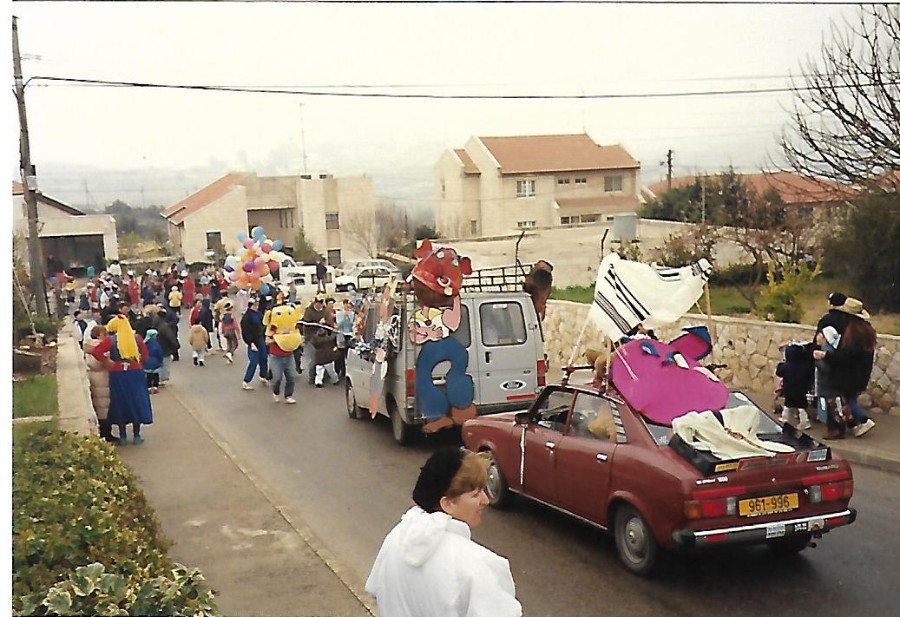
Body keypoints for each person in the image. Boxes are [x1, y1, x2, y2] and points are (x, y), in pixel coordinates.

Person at [366, 447, 522, 617]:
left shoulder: (397, 537)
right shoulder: (479, 565)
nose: (485, 500)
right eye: (476, 494)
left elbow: (376, 590)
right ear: (447, 504)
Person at [814, 297, 877, 438]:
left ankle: (853, 423)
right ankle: (855, 425)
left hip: (850, 374)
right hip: (859, 373)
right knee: (847, 399)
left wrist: (826, 355)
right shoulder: (865, 331)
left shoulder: (855, 334)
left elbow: (847, 355)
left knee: (837, 397)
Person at [88, 315, 153, 445]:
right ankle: (136, 435)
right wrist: (139, 364)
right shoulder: (137, 339)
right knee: (137, 401)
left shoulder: (111, 340)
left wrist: (108, 361)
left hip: (118, 373)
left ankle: (122, 436)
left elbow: (96, 352)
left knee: (120, 402)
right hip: (135, 372)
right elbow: (145, 356)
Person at [83, 325, 116, 443]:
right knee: (104, 408)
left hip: (98, 379)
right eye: (104, 334)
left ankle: (106, 433)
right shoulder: (98, 348)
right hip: (101, 380)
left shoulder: (90, 347)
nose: (107, 336)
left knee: (102, 407)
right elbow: (98, 363)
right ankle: (106, 434)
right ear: (98, 335)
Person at [775, 342, 814, 430]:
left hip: (789, 389)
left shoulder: (786, 366)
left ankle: (786, 419)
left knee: (788, 404)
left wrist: (781, 364)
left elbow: (779, 373)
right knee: (801, 406)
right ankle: (804, 421)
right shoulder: (804, 366)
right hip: (802, 389)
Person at [240, 298, 270, 389]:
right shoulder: (247, 317)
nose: (257, 306)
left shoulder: (259, 314)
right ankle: (246, 381)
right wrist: (250, 343)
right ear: (251, 306)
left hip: (261, 338)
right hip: (253, 341)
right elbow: (245, 331)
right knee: (254, 360)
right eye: (255, 305)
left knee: (264, 357)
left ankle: (263, 375)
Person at [302, 294, 329, 384]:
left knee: (324, 358)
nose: (319, 305)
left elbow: (330, 323)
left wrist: (325, 323)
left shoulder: (326, 311)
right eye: (317, 302)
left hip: (323, 338)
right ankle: (311, 377)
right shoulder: (308, 311)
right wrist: (318, 323)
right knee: (313, 359)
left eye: (320, 303)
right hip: (311, 338)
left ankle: (324, 377)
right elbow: (307, 324)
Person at [312, 321, 341, 387]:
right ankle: (335, 380)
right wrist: (335, 330)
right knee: (331, 371)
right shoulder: (328, 339)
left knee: (319, 371)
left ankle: (318, 382)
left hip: (319, 357)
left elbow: (312, 340)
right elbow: (333, 336)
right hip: (328, 357)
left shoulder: (315, 340)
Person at [334, 298, 356, 378]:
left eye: (349, 306)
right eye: (346, 305)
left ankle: (346, 371)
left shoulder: (352, 314)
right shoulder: (339, 313)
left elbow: (353, 324)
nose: (347, 307)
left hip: (349, 335)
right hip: (341, 335)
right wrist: (344, 318)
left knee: (348, 353)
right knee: (341, 354)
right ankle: (340, 370)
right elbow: (338, 325)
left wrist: (349, 319)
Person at [143, 329, 164, 394]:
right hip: (155, 362)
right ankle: (155, 387)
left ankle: (148, 387)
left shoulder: (145, 344)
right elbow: (159, 353)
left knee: (149, 376)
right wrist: (161, 361)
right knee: (155, 375)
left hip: (147, 362)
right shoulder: (156, 344)